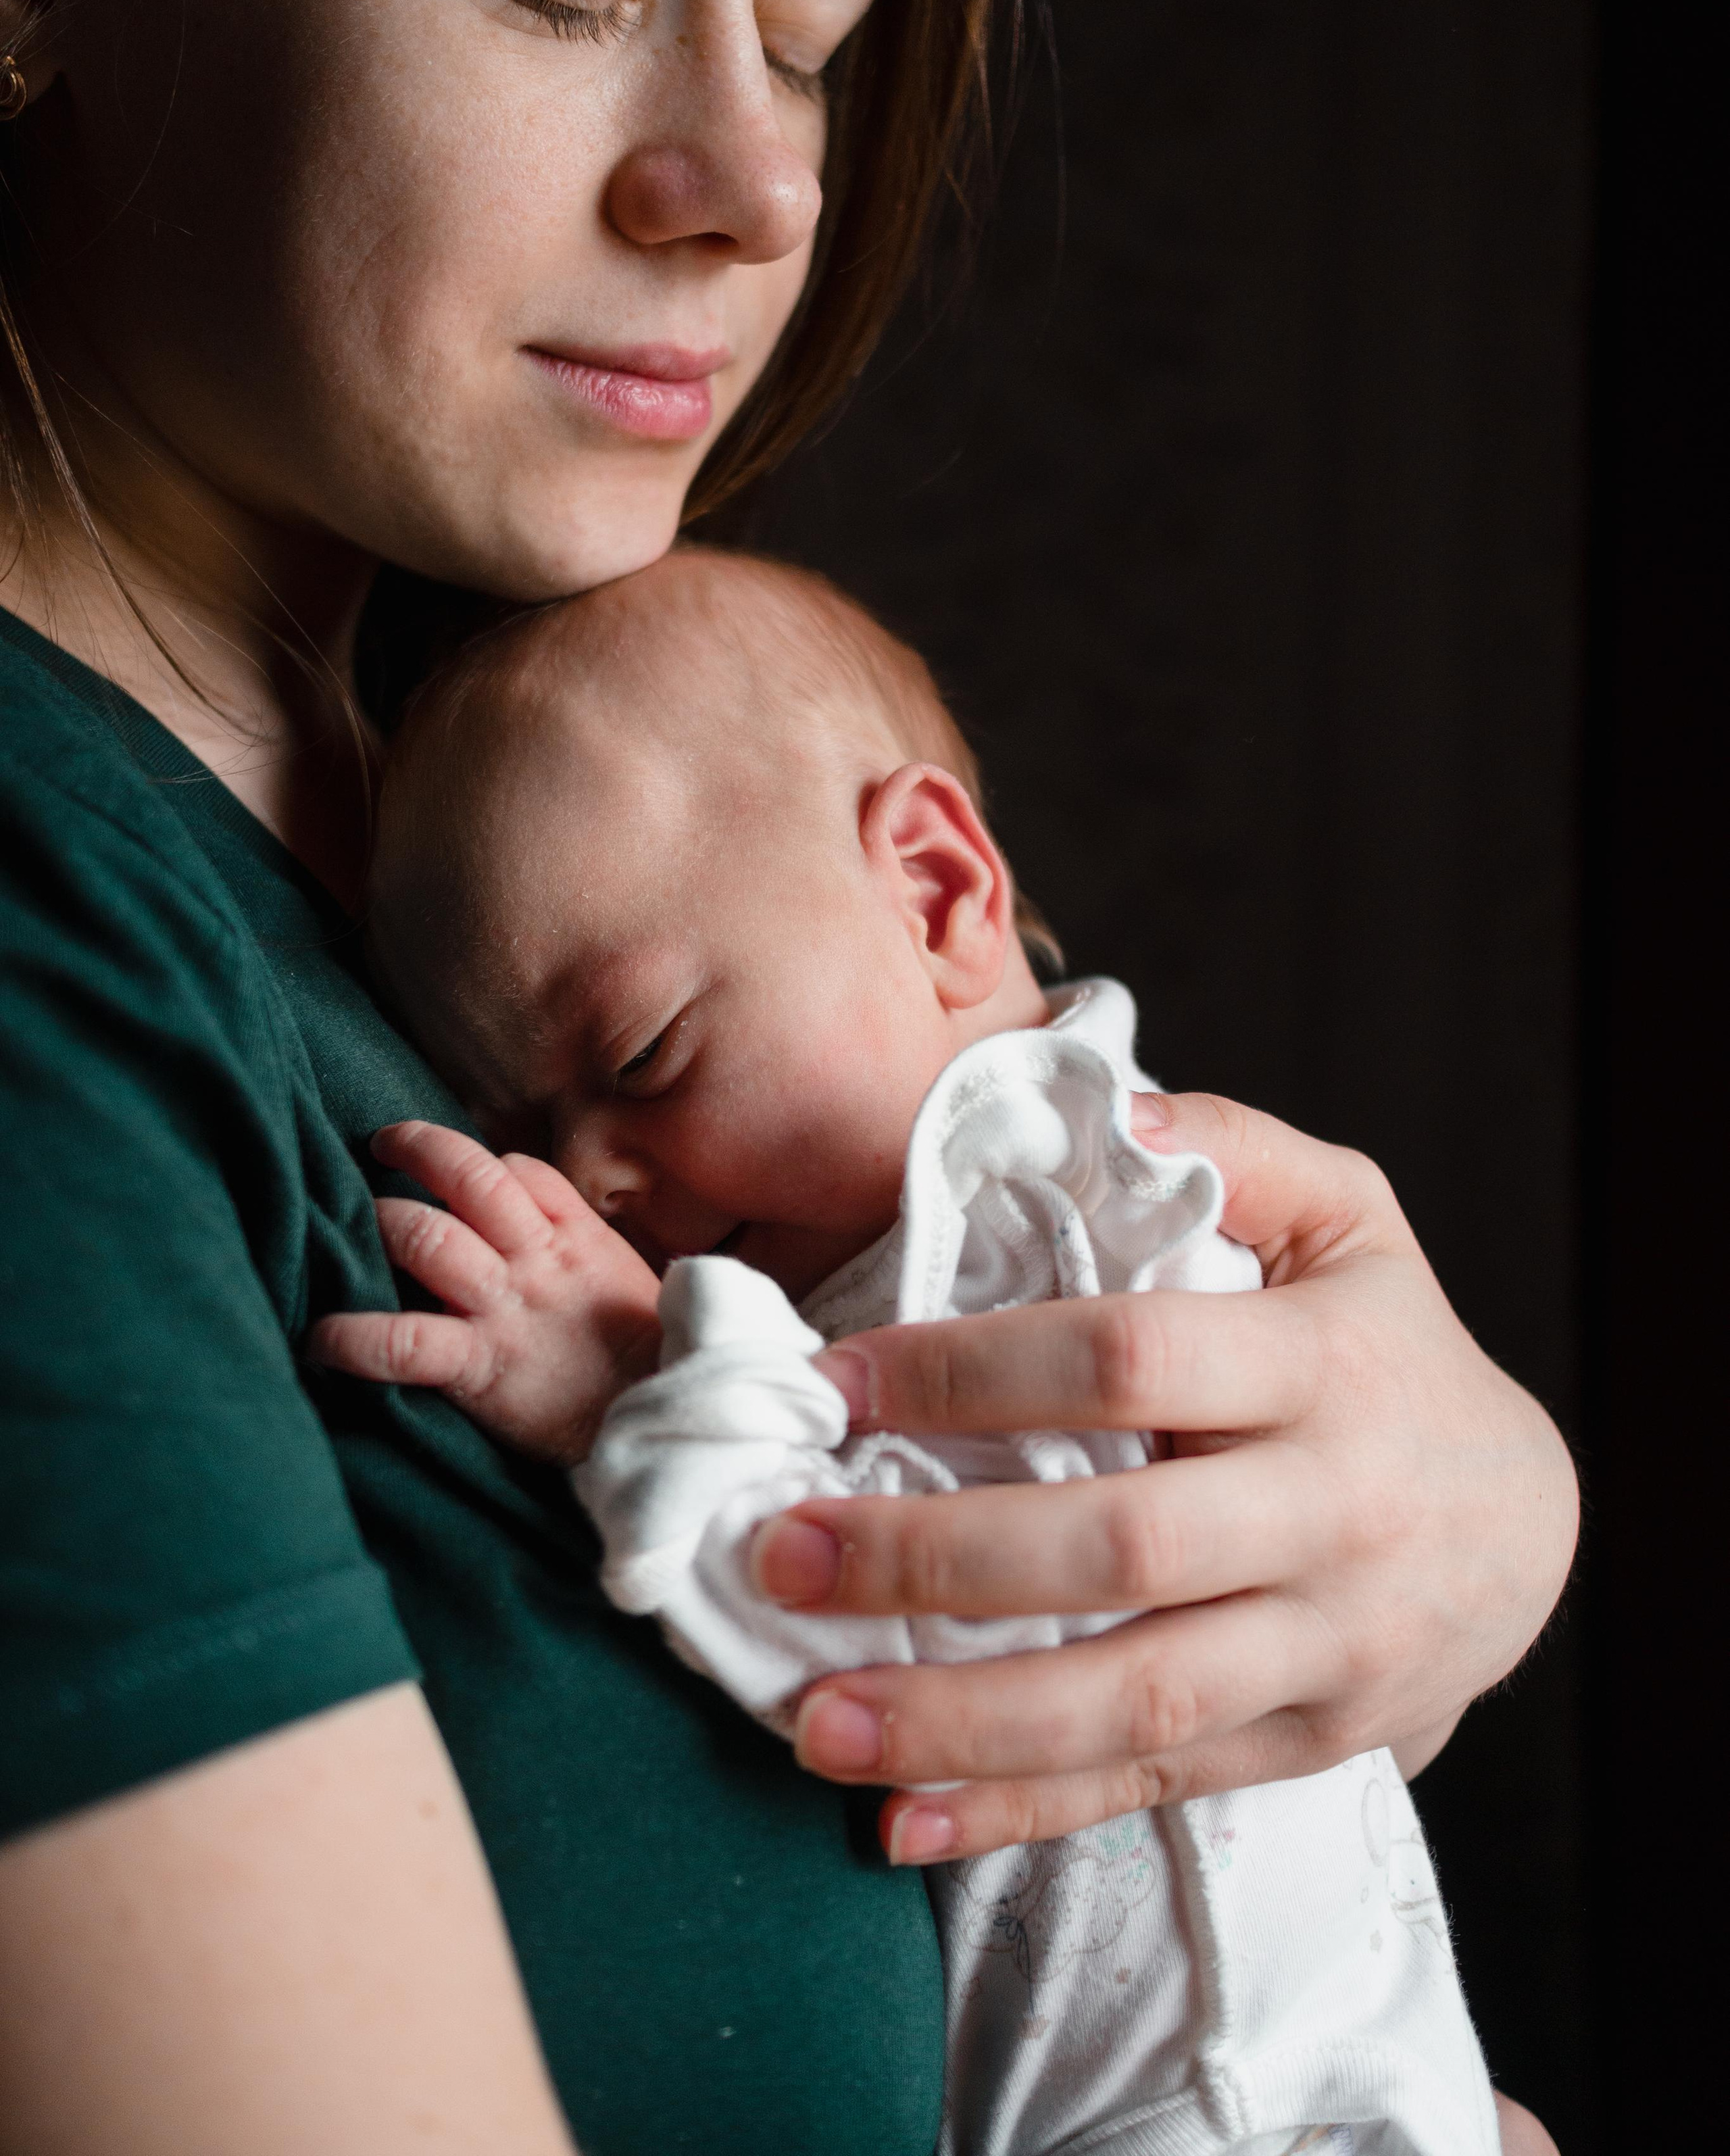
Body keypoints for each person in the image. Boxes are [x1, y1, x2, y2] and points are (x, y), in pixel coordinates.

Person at [0, 0, 1577, 2151]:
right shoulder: (61, 946)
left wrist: (1461, 1518)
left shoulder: (525, 848)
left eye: (817, 35)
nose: (752, 183)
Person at [325, 545, 1509, 2156]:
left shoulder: (1081, 1225)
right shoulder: (895, 1267)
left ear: (937, 893)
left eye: (644, 1055)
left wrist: (633, 1403)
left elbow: (899, 1627)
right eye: (524, 1128)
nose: (586, 1179)